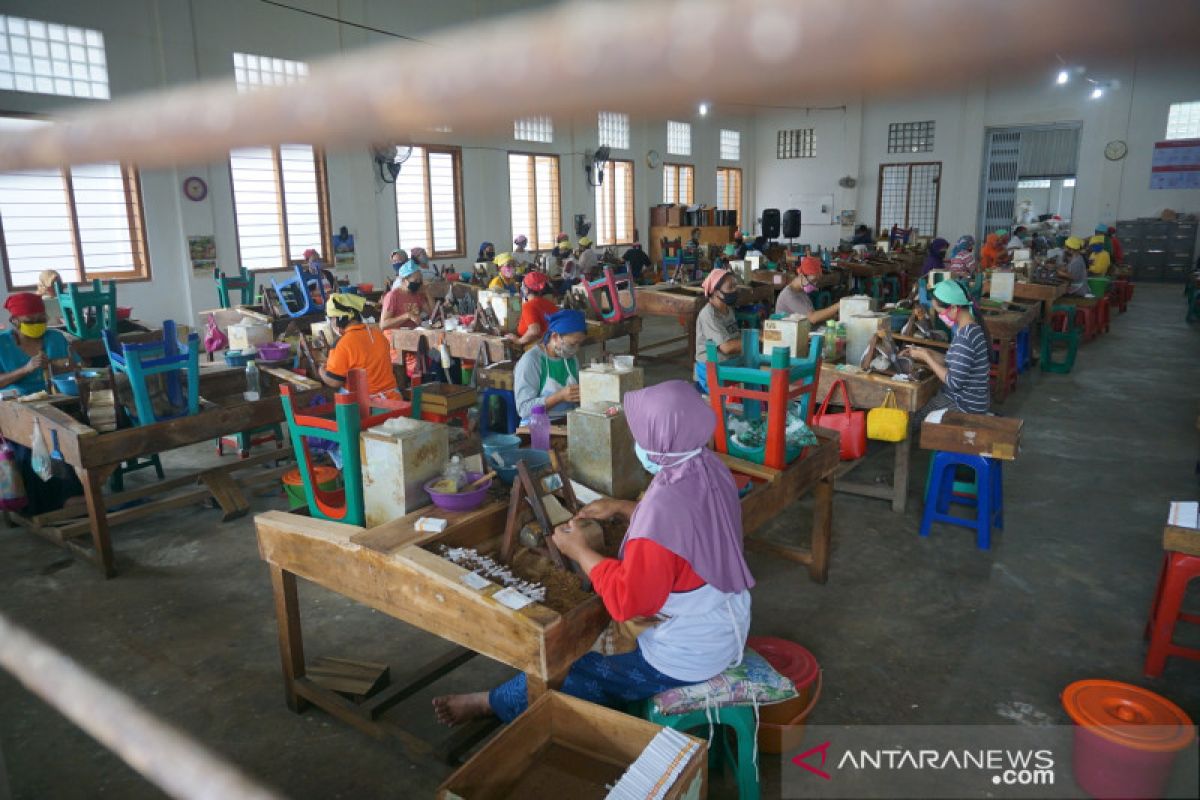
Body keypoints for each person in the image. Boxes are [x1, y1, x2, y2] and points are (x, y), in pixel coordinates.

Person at [432, 380, 753, 726]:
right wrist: (621, 507)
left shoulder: (662, 511)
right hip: (725, 621)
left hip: (689, 656)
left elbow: (628, 601)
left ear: (661, 440)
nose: (637, 443)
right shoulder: (708, 466)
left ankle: (491, 703)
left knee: (570, 666)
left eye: (640, 434)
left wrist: (580, 551)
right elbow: (690, 522)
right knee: (595, 641)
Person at [0, 292, 82, 513]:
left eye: (41, 319)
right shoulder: (2, 345)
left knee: (75, 437)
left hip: (57, 401)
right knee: (34, 448)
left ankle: (75, 496)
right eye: (30, 321)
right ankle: (47, 505)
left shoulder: (55, 338)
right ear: (15, 321)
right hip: (17, 410)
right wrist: (26, 369)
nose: (37, 325)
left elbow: (77, 368)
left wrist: (60, 366)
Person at [902, 280, 990, 421]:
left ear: (954, 308)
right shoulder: (970, 328)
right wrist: (924, 352)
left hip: (964, 405)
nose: (940, 317)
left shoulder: (965, 337)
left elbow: (953, 382)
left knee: (911, 419)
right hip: (969, 400)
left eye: (940, 312)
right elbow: (952, 360)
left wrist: (927, 357)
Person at [512, 309, 585, 424]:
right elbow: (523, 409)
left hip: (567, 421)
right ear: (555, 336)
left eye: (579, 344)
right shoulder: (531, 361)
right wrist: (559, 397)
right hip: (537, 426)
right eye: (572, 344)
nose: (576, 348)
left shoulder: (571, 358)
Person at [320, 294, 397, 396]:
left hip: (369, 405)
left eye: (331, 319)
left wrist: (321, 370)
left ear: (340, 318)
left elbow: (335, 381)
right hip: (394, 398)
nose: (331, 323)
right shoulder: (378, 335)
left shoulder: (342, 343)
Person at [380, 261, 432, 382]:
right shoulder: (393, 296)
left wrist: (427, 292)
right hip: (396, 342)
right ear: (404, 280)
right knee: (422, 363)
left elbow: (432, 313)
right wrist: (407, 315)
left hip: (413, 339)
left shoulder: (416, 294)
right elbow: (383, 325)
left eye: (421, 280)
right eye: (416, 281)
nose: (418, 283)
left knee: (436, 357)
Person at [694, 268, 742, 393]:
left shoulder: (727, 309)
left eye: (735, 286)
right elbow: (727, 347)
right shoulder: (709, 315)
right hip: (711, 371)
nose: (735, 290)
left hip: (729, 366)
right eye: (730, 287)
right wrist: (755, 340)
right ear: (716, 292)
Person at [776, 256, 841, 325]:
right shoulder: (789, 295)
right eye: (813, 280)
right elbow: (812, 318)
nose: (815, 284)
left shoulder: (801, 291)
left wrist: (834, 316)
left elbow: (813, 314)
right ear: (801, 275)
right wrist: (838, 305)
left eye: (817, 281)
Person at [508, 272, 560, 348]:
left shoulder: (529, 306)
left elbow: (534, 331)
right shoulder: (550, 303)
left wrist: (518, 341)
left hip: (535, 347)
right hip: (549, 345)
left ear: (525, 289)